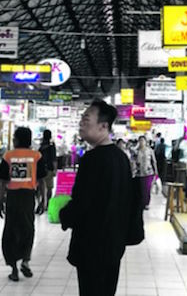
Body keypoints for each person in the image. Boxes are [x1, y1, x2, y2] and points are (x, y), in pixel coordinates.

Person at [60, 100, 135, 295]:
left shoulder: (92, 159)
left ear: (103, 126)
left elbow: (82, 203)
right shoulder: (121, 158)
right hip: (113, 244)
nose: (81, 123)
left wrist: (64, 215)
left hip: (92, 245)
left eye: (86, 119)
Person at [0, 127, 46, 283]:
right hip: (28, 197)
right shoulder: (36, 156)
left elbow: (4, 182)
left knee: (11, 230)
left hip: (12, 197)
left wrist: (0, 201)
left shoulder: (8, 156)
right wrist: (44, 200)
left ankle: (14, 268)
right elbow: (42, 181)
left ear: (17, 140)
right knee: (28, 229)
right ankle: (25, 260)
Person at [37, 130, 56, 215]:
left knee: (40, 187)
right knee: (49, 187)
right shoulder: (52, 146)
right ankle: (47, 203)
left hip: (40, 169)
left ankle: (41, 203)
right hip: (49, 168)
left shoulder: (41, 146)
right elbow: (54, 159)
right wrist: (55, 169)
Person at [135, 136, 157, 210]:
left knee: (147, 189)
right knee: (140, 189)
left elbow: (154, 161)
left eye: (142, 140)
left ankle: (146, 203)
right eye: (140, 140)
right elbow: (133, 161)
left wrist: (156, 171)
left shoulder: (150, 150)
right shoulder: (136, 151)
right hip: (139, 173)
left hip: (148, 172)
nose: (141, 142)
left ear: (145, 141)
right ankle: (141, 203)